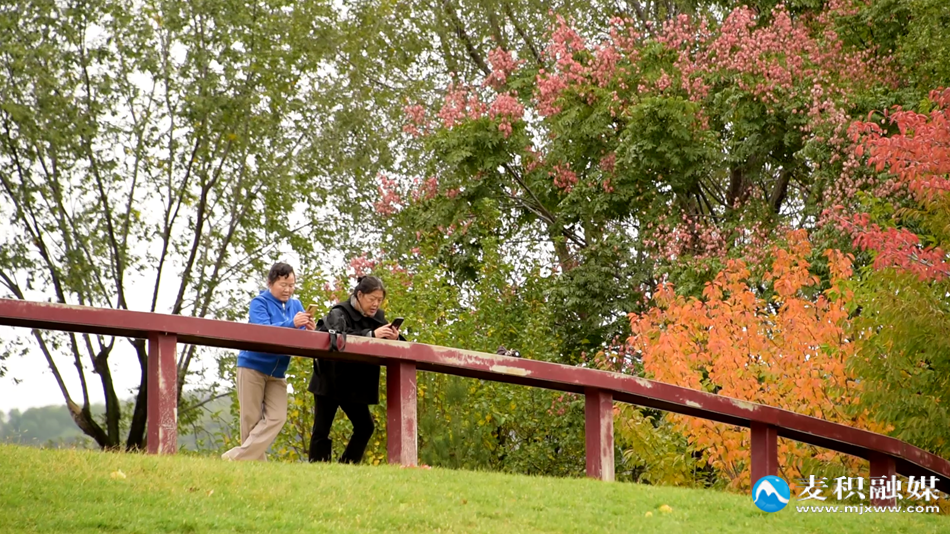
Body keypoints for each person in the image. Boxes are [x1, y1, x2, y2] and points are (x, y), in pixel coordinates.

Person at [222, 262, 315, 461]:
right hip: (252, 366)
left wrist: (308, 330)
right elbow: (264, 332)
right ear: (270, 283)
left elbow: (298, 337)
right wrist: (292, 323)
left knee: (278, 417)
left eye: (291, 285)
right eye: (283, 285)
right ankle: (253, 467)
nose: (288, 289)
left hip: (278, 372)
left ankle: (234, 458)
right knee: (251, 420)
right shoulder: (259, 302)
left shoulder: (296, 306)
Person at [308, 275, 402, 464]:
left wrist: (395, 338)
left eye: (379, 300)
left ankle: (346, 465)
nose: (376, 304)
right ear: (359, 295)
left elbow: (400, 346)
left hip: (355, 384)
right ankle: (318, 467)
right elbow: (338, 337)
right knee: (321, 429)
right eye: (372, 299)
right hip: (330, 379)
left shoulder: (379, 318)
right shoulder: (339, 312)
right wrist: (371, 335)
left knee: (365, 427)